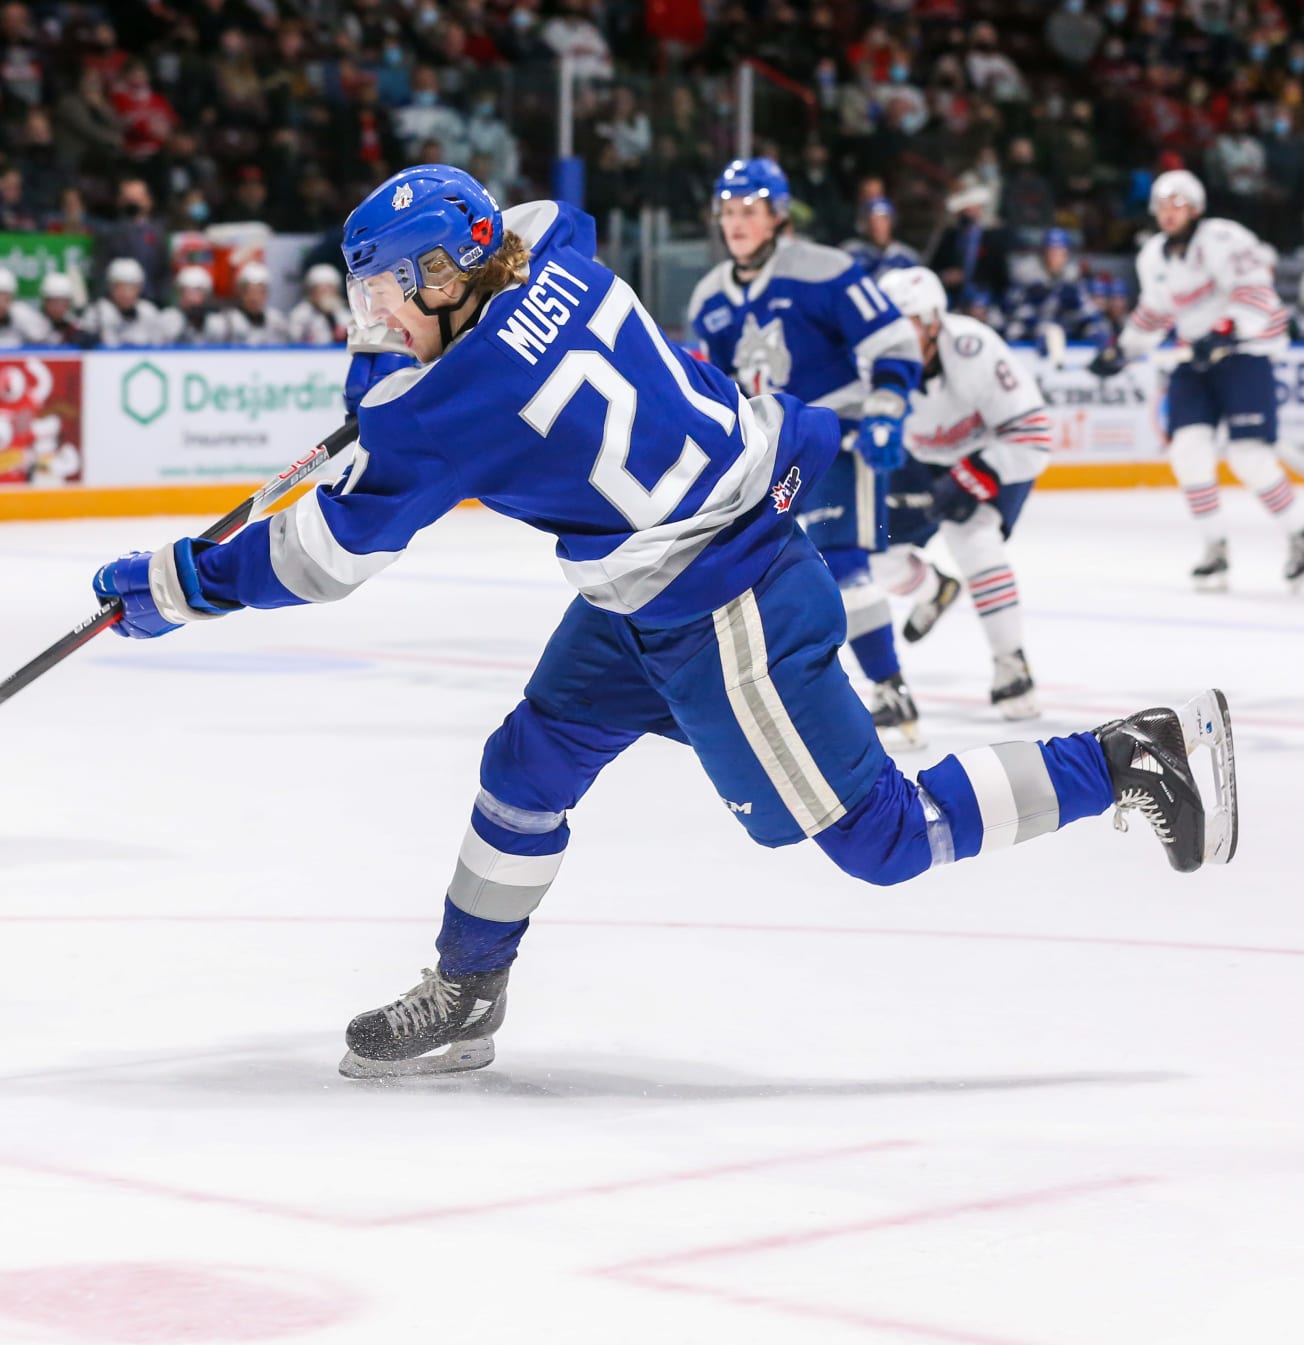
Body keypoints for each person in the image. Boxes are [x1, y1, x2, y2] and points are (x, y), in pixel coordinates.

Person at [88, 164, 1238, 1078]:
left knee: (877, 837)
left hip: (722, 597)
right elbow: (526, 231)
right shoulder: (562, 253)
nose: (376, 318)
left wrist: (173, 581)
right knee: (524, 765)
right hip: (653, 579)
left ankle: (1129, 756)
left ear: (450, 274)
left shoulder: (449, 408)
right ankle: (469, 985)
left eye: (389, 294)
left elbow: (318, 556)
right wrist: (386, 382)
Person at [688, 158, 927, 747]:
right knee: (764, 577)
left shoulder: (826, 270)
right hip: (768, 450)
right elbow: (718, 384)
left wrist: (886, 410)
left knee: (844, 564)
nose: (737, 223)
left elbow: (893, 340)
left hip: (834, 437)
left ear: (777, 215)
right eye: (728, 212)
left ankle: (891, 689)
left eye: (749, 211)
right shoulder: (709, 298)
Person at [1090, 170, 1303, 591]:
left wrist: (1225, 330)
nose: (1169, 214)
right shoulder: (1152, 255)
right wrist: (1124, 349)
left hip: (1245, 352)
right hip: (1197, 357)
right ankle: (1215, 548)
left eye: (1178, 205)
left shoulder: (1223, 238)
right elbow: (1154, 312)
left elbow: (1256, 292)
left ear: (1196, 208)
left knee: (1249, 457)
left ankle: (1299, 536)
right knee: (1187, 453)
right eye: (1163, 206)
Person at [871, 268, 1052, 719]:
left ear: (934, 321)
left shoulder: (974, 348)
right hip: (916, 460)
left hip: (991, 452)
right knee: (873, 553)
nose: (898, 337)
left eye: (909, 322)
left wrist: (973, 475)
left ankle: (1011, 663)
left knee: (974, 541)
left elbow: (1033, 436)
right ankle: (933, 590)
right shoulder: (870, 363)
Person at [1002, 228, 1112, 353]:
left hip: (1060, 326)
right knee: (1014, 330)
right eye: (1052, 253)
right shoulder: (1027, 273)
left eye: (1061, 253)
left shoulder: (1071, 275)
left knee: (1098, 329)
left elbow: (1084, 306)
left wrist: (1096, 323)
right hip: (1031, 325)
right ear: (1043, 253)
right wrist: (1038, 328)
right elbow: (1013, 309)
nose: (1056, 258)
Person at [218, 262, 294, 348]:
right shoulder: (227, 322)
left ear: (266, 294)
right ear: (241, 293)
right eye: (250, 291)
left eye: (259, 292)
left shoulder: (277, 321)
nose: (254, 298)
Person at [840, 199, 920, 279]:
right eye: (872, 221)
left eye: (882, 220)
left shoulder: (907, 257)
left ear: (892, 222)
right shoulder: (852, 251)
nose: (877, 226)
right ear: (865, 224)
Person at [91, 259, 163, 347]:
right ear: (111, 288)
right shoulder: (97, 313)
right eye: (121, 288)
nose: (126, 294)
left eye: (131, 288)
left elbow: (158, 347)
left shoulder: (149, 312)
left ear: (139, 288)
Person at [289, 264, 351, 346]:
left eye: (329, 289)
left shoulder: (345, 315)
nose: (325, 294)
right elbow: (294, 341)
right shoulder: (300, 315)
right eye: (320, 289)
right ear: (310, 291)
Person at [160, 266, 221, 346]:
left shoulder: (218, 321)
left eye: (197, 291)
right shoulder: (167, 319)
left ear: (207, 294)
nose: (191, 298)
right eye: (186, 292)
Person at [37, 274, 98, 347]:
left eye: (63, 302)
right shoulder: (34, 324)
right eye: (54, 302)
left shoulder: (72, 323)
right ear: (45, 302)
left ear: (69, 304)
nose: (58, 307)